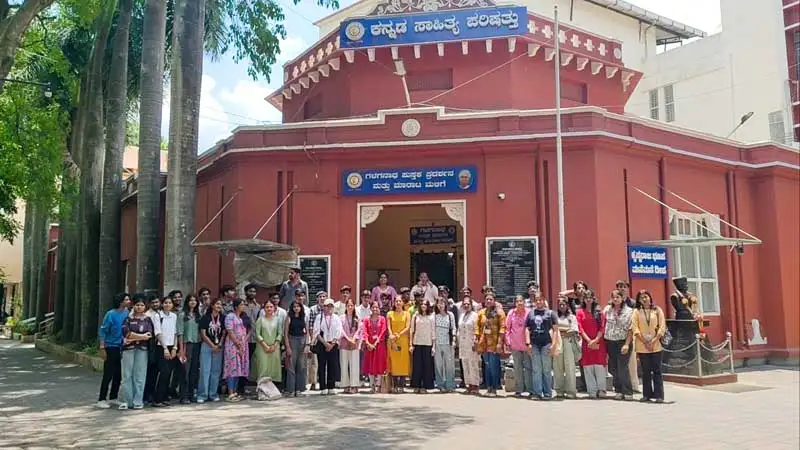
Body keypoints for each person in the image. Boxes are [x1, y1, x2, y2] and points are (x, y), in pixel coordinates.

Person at [97, 293, 131, 409]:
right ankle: (101, 398)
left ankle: (113, 397)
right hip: (111, 346)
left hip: (122, 347)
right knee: (108, 374)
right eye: (126, 299)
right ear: (120, 301)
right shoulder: (110, 314)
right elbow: (103, 331)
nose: (129, 301)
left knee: (118, 374)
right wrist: (102, 347)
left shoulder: (127, 314)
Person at [631, 289, 666, 403]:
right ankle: (646, 395)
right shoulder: (636, 311)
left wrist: (654, 340)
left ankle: (659, 395)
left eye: (646, 296)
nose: (644, 299)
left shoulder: (657, 310)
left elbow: (662, 327)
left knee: (657, 371)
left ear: (650, 298)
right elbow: (635, 328)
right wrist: (645, 342)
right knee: (646, 372)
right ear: (639, 300)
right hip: (642, 346)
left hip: (656, 345)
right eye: (641, 298)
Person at [120, 294, 154, 410]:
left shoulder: (148, 319)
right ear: (133, 306)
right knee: (127, 375)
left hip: (142, 350)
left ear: (145, 306)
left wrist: (133, 338)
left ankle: (137, 401)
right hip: (128, 350)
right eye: (137, 305)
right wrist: (140, 336)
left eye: (142, 305)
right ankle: (126, 401)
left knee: (139, 375)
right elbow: (126, 333)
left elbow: (149, 335)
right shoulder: (128, 319)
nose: (139, 307)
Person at [526, 294, 559, 400]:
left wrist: (553, 345)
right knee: (536, 369)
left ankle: (547, 392)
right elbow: (527, 328)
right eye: (537, 300)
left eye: (540, 300)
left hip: (546, 344)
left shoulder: (550, 313)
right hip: (534, 344)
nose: (539, 302)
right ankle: (537, 392)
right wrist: (528, 343)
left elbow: (555, 330)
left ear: (544, 300)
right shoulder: (531, 313)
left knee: (546, 369)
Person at [576, 289, 607, 398]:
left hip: (599, 342)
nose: (588, 300)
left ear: (593, 299)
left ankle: (602, 389)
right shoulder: (580, 312)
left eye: (590, 298)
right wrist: (589, 341)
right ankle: (592, 390)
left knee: (599, 366)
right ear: (583, 299)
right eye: (586, 298)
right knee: (588, 367)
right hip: (586, 343)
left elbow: (602, 328)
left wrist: (595, 340)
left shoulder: (599, 312)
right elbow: (580, 328)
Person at [604, 289, 634, 401]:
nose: (615, 299)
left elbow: (631, 329)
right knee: (613, 368)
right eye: (613, 297)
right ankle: (618, 390)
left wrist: (627, 344)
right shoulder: (607, 310)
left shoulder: (629, 311)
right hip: (610, 342)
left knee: (622, 367)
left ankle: (627, 391)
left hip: (623, 341)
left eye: (618, 297)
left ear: (622, 298)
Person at [476, 294, 506, 397]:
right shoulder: (481, 313)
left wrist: (499, 343)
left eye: (490, 299)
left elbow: (502, 328)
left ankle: (494, 388)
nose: (488, 301)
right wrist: (477, 340)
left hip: (494, 343)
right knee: (487, 366)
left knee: (494, 366)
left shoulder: (499, 313)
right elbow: (478, 327)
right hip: (484, 344)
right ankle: (488, 388)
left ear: (494, 301)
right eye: (487, 299)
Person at [312, 298, 343, 395]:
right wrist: (325, 343)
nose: (329, 308)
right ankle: (323, 387)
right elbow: (316, 331)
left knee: (332, 365)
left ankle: (331, 386)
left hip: (333, 344)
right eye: (327, 306)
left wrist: (332, 343)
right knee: (322, 366)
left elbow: (339, 331)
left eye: (331, 306)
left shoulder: (336, 318)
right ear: (323, 307)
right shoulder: (319, 317)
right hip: (322, 344)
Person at [197, 298, 225, 403]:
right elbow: (203, 334)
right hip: (207, 345)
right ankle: (202, 395)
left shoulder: (223, 318)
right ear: (212, 305)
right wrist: (212, 345)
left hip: (219, 347)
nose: (219, 306)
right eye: (217, 303)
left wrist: (220, 344)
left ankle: (213, 394)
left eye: (221, 304)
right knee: (205, 370)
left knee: (216, 371)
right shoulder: (205, 318)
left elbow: (224, 333)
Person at [153, 296, 179, 407]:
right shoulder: (158, 316)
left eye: (170, 303)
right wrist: (164, 348)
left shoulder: (174, 316)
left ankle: (164, 397)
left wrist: (175, 348)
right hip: (161, 347)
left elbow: (175, 333)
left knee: (169, 373)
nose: (168, 305)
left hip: (171, 346)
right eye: (165, 303)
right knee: (163, 372)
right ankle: (157, 399)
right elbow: (158, 332)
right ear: (162, 304)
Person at [504, 294, 531, 397]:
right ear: (515, 303)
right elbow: (507, 328)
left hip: (526, 345)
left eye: (521, 301)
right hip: (515, 345)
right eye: (518, 301)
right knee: (517, 368)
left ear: (524, 302)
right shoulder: (511, 313)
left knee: (528, 367)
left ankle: (529, 389)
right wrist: (508, 341)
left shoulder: (528, 313)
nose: (520, 303)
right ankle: (519, 389)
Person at [223, 299, 249, 402]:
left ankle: (235, 391)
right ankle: (230, 392)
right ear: (236, 306)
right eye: (242, 305)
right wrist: (237, 343)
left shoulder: (241, 317)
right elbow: (230, 331)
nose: (243, 306)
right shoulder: (230, 316)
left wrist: (242, 343)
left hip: (242, 345)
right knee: (232, 368)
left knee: (239, 368)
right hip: (232, 345)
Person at [616, 279, 640, 393]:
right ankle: (621, 385)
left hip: (630, 334)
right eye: (620, 286)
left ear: (627, 288)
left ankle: (634, 385)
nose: (622, 288)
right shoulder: (614, 301)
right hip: (617, 336)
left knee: (632, 361)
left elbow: (636, 318)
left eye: (624, 286)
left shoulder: (633, 303)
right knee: (619, 363)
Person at [553, 297, 579, 399]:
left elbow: (573, 330)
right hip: (558, 342)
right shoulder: (554, 316)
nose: (562, 306)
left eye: (564, 304)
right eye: (560, 304)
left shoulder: (571, 317)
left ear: (567, 305)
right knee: (557, 366)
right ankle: (559, 390)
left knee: (570, 367)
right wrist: (564, 330)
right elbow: (553, 329)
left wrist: (560, 331)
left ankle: (571, 391)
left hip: (569, 343)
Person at [251, 301, 282, 386]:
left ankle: (271, 391)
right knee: (262, 367)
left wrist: (274, 345)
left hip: (274, 348)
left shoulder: (278, 319)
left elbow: (280, 333)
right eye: (267, 307)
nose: (269, 309)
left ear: (274, 308)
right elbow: (257, 334)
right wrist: (265, 346)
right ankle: (262, 390)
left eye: (271, 307)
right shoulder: (260, 320)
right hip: (262, 348)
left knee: (273, 368)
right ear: (264, 309)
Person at [178, 294, 201, 404]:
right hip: (187, 344)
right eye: (190, 300)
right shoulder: (182, 315)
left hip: (197, 344)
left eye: (195, 300)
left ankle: (192, 394)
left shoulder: (197, 315)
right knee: (185, 371)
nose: (193, 302)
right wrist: (181, 350)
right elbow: (180, 333)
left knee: (194, 371)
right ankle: (184, 396)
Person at [284, 300, 309, 397]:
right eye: (294, 306)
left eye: (298, 306)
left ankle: (299, 389)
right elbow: (285, 333)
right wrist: (287, 347)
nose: (296, 308)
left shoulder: (304, 317)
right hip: (292, 341)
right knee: (291, 366)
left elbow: (307, 332)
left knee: (301, 366)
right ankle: (291, 390)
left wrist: (307, 344)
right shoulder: (289, 317)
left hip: (302, 341)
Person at [361, 301, 387, 393]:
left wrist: (375, 343)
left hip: (379, 345)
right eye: (373, 307)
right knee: (370, 365)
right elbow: (364, 332)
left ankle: (378, 386)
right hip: (369, 346)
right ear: (370, 308)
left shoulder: (383, 319)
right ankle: (372, 386)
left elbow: (383, 332)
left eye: (377, 307)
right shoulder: (366, 320)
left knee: (379, 365)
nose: (375, 309)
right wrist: (368, 343)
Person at [410, 300, 436, 393]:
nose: (423, 306)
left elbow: (433, 331)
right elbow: (412, 331)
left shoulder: (431, 317)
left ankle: (425, 386)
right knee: (417, 366)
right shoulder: (415, 316)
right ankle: (416, 386)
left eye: (425, 304)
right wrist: (411, 344)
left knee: (427, 366)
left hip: (428, 343)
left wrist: (434, 346)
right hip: (417, 343)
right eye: (422, 304)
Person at [457, 296, 481, 394]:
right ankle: (468, 385)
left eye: (468, 304)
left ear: (471, 305)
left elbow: (477, 329)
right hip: (463, 343)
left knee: (473, 364)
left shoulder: (475, 315)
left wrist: (476, 341)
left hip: (471, 342)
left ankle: (475, 385)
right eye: (465, 304)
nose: (466, 306)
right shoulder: (462, 315)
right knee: (465, 364)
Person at [387, 297, 411, 393]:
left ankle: (401, 385)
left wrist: (398, 335)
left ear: (403, 303)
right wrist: (392, 336)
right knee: (394, 362)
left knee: (403, 363)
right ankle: (394, 385)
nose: (398, 302)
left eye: (400, 301)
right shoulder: (390, 314)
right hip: (393, 340)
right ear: (394, 303)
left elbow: (408, 327)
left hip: (403, 340)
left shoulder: (407, 314)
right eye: (396, 301)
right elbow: (389, 326)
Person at [433, 296, 457, 392]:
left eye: (442, 303)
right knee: (438, 364)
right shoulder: (434, 315)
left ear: (445, 304)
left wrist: (454, 339)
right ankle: (440, 384)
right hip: (437, 342)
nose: (441, 305)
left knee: (449, 364)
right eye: (439, 303)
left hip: (448, 342)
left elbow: (454, 328)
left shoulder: (450, 315)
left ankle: (450, 384)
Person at [340, 298, 362, 394]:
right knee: (344, 364)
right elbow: (340, 329)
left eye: (351, 305)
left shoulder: (357, 318)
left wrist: (354, 339)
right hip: (344, 343)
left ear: (354, 306)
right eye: (348, 305)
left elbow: (360, 329)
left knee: (354, 365)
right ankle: (345, 385)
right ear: (345, 307)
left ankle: (354, 385)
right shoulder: (341, 318)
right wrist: (348, 338)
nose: (350, 307)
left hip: (354, 344)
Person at [306, 290, 325, 390]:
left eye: (324, 296)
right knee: (314, 362)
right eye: (320, 297)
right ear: (317, 298)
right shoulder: (312, 310)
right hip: (315, 338)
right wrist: (311, 339)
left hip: (326, 338)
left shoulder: (328, 308)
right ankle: (313, 382)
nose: (322, 298)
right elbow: (310, 325)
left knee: (324, 361)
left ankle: (324, 382)